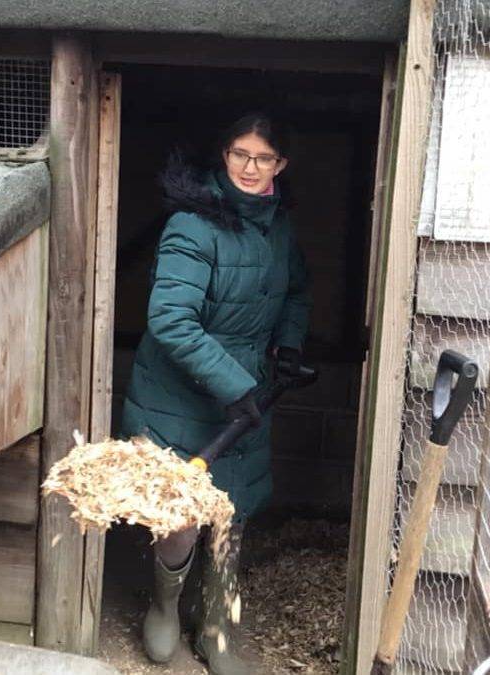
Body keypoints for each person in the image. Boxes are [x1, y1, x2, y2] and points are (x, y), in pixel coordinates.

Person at [121, 113, 311, 674]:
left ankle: (215, 622)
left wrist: (289, 346)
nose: (250, 168)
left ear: (281, 165)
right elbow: (172, 319)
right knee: (180, 512)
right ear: (222, 155)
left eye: (263, 158)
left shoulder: (280, 228)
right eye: (239, 154)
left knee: (232, 507)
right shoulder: (192, 224)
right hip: (179, 391)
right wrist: (233, 385)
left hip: (245, 388)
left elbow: (296, 291)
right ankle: (165, 606)